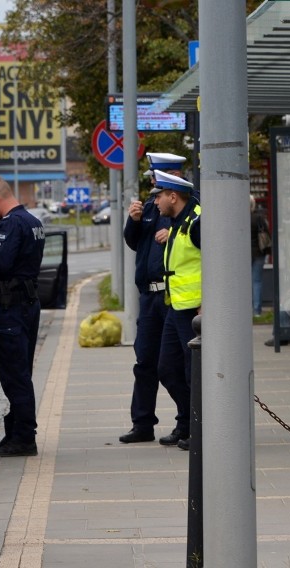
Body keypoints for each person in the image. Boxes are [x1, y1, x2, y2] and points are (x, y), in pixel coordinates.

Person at [0, 175, 46, 457]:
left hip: (11, 307)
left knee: (14, 375)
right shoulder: (33, 222)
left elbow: (0, 262)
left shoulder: (11, 224)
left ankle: (24, 437)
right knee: (21, 371)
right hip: (27, 304)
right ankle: (15, 430)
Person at [118, 152, 185, 444]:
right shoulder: (149, 206)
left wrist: (172, 234)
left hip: (174, 295)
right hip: (149, 296)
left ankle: (187, 422)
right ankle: (142, 423)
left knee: (175, 364)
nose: (153, 187)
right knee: (144, 360)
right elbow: (135, 243)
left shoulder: (187, 210)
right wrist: (133, 222)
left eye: (157, 181)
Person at [152, 170, 201, 451]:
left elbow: (217, 263)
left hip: (194, 312)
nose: (156, 202)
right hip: (176, 306)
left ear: (173, 196)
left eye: (159, 196)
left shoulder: (196, 222)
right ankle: (187, 422)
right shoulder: (179, 220)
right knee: (168, 369)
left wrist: (207, 307)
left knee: (194, 372)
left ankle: (198, 429)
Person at [250, 196, 269, 317]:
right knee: (257, 281)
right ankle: (257, 311)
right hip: (259, 253)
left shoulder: (237, 217)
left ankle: (246, 308)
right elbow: (266, 233)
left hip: (243, 255)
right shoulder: (258, 218)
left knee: (244, 283)